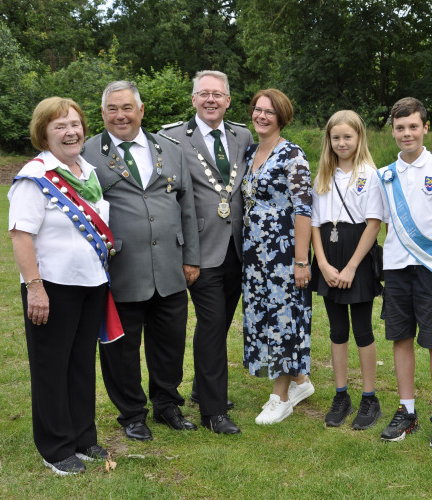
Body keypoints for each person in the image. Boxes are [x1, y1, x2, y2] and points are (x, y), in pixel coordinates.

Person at [82, 81, 201, 441]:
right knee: (122, 347)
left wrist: (191, 257)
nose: (121, 115)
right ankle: (132, 413)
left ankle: (167, 405)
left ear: (141, 110)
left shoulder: (170, 148)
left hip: (169, 264)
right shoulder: (88, 154)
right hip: (121, 267)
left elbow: (189, 208)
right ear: (103, 114)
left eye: (127, 108)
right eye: (112, 109)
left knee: (170, 342)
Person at [9, 97, 120, 475]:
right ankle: (55, 447)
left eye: (74, 124)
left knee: (80, 365)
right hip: (52, 286)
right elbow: (21, 235)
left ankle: (82, 437)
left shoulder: (87, 171)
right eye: (60, 126)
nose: (70, 132)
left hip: (91, 284)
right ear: (44, 134)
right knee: (51, 366)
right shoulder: (35, 176)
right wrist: (35, 288)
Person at [159, 70, 252, 435]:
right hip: (197, 251)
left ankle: (201, 387)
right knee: (212, 326)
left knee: (221, 323)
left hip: (238, 248)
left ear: (228, 100)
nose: (211, 100)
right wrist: (186, 254)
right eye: (204, 94)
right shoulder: (170, 138)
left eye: (218, 94)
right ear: (193, 99)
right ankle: (214, 412)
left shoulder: (242, 135)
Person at [377, 97, 432, 449]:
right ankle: (406, 409)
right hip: (396, 268)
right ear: (392, 131)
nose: (407, 133)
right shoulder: (385, 175)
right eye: (400, 128)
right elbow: (383, 224)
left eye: (413, 126)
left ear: (426, 127)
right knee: (401, 337)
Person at [241, 88, 314, 425]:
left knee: (284, 320)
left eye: (269, 112)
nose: (261, 116)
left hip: (284, 254)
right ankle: (300, 381)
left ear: (281, 117)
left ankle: (280, 397)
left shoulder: (292, 155)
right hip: (255, 256)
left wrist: (301, 261)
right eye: (257, 109)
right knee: (264, 318)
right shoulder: (250, 152)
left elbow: (303, 210)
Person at [310, 110, 384, 430]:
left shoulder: (369, 174)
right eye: (336, 137)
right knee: (338, 331)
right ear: (329, 140)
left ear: (359, 138)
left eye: (347, 137)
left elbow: (374, 224)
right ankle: (342, 395)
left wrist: (352, 266)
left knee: (362, 330)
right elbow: (314, 224)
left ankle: (369, 398)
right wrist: (323, 264)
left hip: (358, 255)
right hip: (328, 253)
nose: (341, 143)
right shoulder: (323, 176)